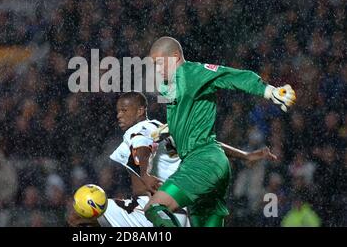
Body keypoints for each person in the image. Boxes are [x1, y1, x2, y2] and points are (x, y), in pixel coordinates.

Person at [144, 36, 296, 227]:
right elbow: (206, 141)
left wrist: (269, 91)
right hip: (212, 162)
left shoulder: (192, 73)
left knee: (154, 208)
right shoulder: (171, 88)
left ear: (174, 57)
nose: (157, 70)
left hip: (201, 164)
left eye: (159, 64)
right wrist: (245, 156)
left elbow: (229, 76)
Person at [68, 92, 277, 227]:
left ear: (141, 111)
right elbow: (206, 146)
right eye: (117, 111)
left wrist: (145, 174)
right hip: (179, 212)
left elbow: (142, 146)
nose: (119, 115)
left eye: (124, 110)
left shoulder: (138, 130)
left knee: (76, 216)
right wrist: (244, 156)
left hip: (150, 210)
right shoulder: (166, 130)